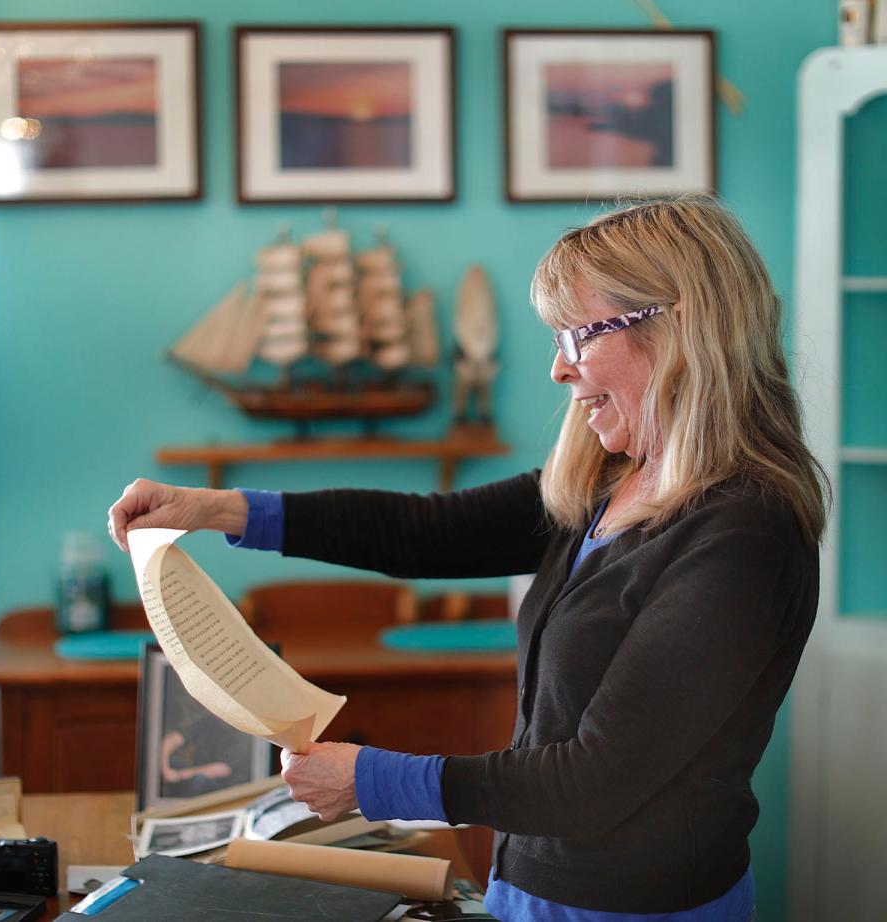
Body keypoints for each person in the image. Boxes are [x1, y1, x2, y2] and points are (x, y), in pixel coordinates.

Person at [108, 195, 828, 922]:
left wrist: (374, 781)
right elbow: (425, 530)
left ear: (679, 326)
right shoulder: (607, 482)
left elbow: (597, 780)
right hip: (529, 887)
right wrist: (220, 510)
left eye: (579, 335)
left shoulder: (744, 533)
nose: (558, 369)